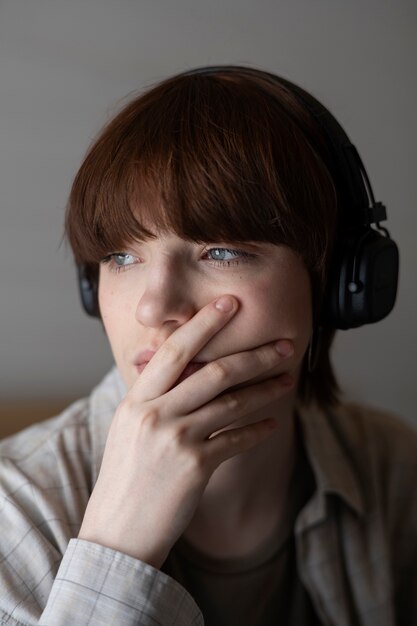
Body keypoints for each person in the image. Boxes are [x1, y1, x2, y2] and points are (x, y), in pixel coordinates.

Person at [0, 65, 415, 626]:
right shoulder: (14, 514)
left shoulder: (395, 470)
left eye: (221, 251)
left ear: (339, 285)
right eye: (122, 256)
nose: (153, 307)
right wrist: (115, 551)